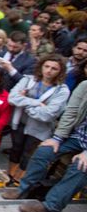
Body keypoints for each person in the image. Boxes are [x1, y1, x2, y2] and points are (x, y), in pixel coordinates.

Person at [2, 80, 87, 212]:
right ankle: (24, 189)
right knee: (44, 151)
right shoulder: (84, 86)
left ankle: (51, 205)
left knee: (80, 166)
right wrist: (57, 138)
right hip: (77, 137)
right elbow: (71, 113)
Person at [7, 55, 70, 186]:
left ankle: (19, 181)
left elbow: (48, 114)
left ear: (60, 71)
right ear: (41, 66)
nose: (49, 70)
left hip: (39, 129)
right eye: (46, 66)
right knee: (15, 150)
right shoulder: (27, 80)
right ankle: (10, 176)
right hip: (19, 123)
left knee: (29, 155)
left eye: (54, 68)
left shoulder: (62, 90)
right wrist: (37, 103)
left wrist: (25, 103)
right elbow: (12, 98)